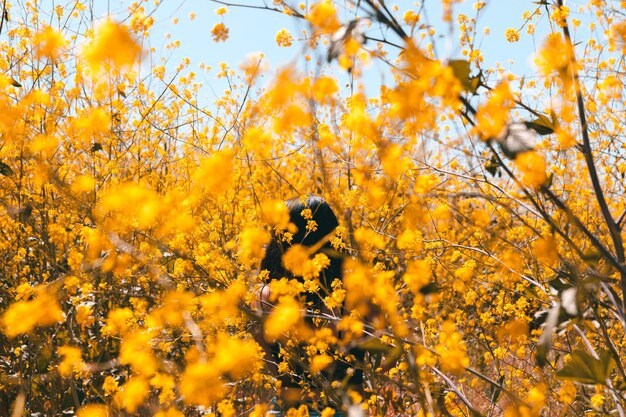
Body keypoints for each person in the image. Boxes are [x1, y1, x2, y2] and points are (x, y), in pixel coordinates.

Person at [256, 196, 364, 416]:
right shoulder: (356, 296)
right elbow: (378, 349)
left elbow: (270, 362)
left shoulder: (265, 297)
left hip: (290, 409)